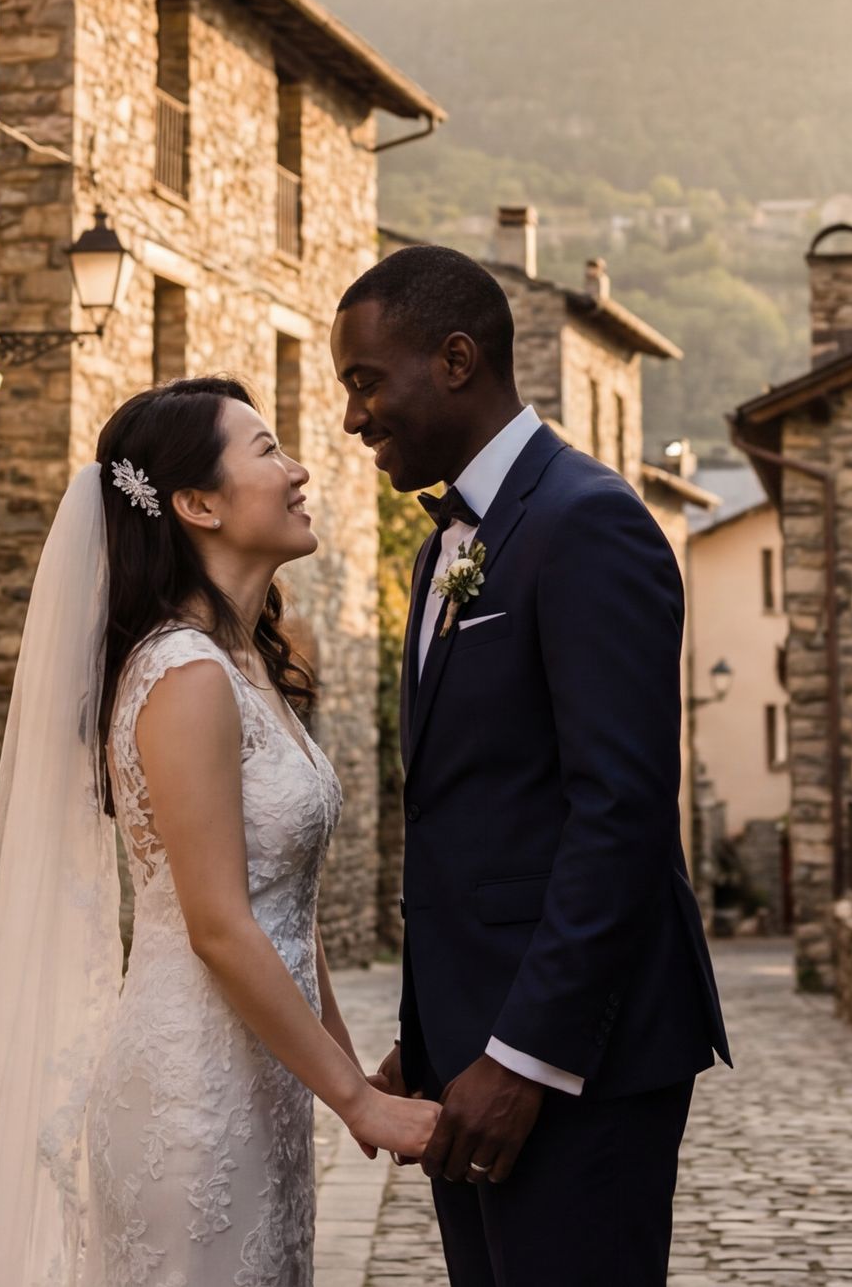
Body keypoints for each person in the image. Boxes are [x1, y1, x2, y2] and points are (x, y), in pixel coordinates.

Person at [0, 377, 439, 1287]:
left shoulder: (245, 665)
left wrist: (348, 1076)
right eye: (269, 450)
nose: (301, 469)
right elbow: (221, 923)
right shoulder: (184, 673)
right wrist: (357, 1103)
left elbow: (286, 909)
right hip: (189, 1089)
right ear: (196, 503)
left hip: (261, 1080)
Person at [333, 244, 729, 1287]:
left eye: (366, 382)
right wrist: (434, 1037)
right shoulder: (443, 549)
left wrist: (524, 1058)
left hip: (575, 1060)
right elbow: (478, 809)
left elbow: (622, 813)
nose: (353, 418)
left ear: (455, 359)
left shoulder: (588, 521)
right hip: (473, 1051)